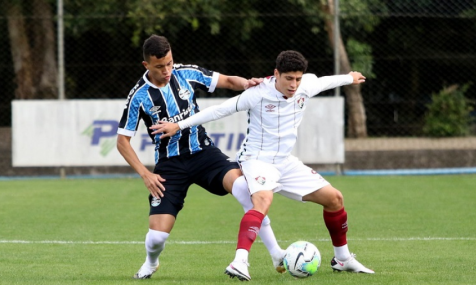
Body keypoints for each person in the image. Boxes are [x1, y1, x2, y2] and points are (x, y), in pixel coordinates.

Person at [152, 50, 375, 281]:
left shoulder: (305, 85)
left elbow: (326, 81)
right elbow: (219, 110)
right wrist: (179, 126)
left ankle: (343, 259)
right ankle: (240, 261)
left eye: (298, 78)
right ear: (276, 74)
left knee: (335, 199)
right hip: (256, 160)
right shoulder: (258, 94)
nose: (294, 84)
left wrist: (349, 77)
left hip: (286, 162)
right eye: (289, 78)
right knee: (263, 201)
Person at [116, 34, 286, 280]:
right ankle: (151, 262)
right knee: (157, 238)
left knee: (242, 187)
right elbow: (122, 141)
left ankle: (277, 254)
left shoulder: (187, 73)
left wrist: (247, 83)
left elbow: (226, 80)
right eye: (159, 66)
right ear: (146, 66)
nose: (166, 70)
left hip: (204, 154)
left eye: (169, 63)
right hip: (170, 165)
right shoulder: (139, 96)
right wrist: (146, 174)